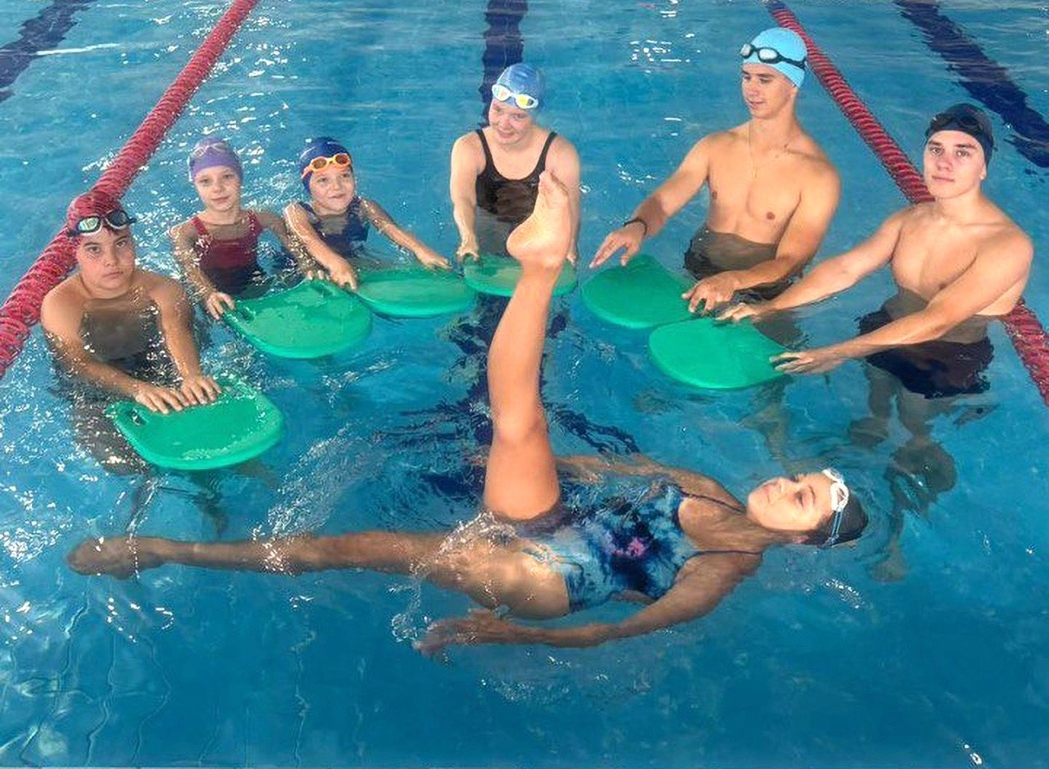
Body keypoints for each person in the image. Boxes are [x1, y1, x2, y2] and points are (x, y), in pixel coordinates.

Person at [67, 172, 867, 652]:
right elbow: (616, 468)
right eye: (801, 478)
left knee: (344, 549)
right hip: (553, 517)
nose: (785, 482)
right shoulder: (707, 487)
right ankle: (539, 269)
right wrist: (559, 467)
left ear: (801, 540)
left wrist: (516, 632)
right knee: (519, 426)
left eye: (799, 498)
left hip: (544, 578)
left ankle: (163, 551)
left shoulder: (724, 567)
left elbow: (621, 629)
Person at [722, 104, 1033, 397]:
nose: (944, 163)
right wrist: (771, 307)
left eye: (962, 152)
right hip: (883, 328)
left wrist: (839, 352)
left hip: (946, 355)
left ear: (983, 168)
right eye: (935, 149)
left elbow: (939, 319)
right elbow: (845, 269)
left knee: (913, 429)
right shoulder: (908, 220)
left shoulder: (1007, 245)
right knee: (873, 415)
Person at [591, 28, 840, 314]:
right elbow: (662, 202)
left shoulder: (818, 176)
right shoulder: (715, 146)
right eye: (746, 77)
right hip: (698, 269)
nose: (752, 89)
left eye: (765, 79)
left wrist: (734, 280)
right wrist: (637, 226)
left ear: (793, 85)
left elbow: (792, 261)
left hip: (762, 292)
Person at [40, 189, 220, 415]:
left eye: (121, 243)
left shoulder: (165, 289)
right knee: (89, 419)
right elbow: (77, 362)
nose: (111, 260)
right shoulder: (60, 305)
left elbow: (176, 330)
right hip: (97, 394)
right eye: (94, 249)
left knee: (206, 400)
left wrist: (191, 375)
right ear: (74, 251)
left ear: (133, 241)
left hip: (160, 370)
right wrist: (137, 389)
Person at [450, 63, 581, 262]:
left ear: (535, 115)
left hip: (538, 233)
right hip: (488, 228)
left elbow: (570, 208)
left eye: (518, 116)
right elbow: (463, 199)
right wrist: (468, 237)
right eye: (497, 109)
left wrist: (569, 247)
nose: (503, 124)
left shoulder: (560, 153)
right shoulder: (469, 147)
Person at [285, 137, 449, 290]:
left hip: (350, 258)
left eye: (344, 175)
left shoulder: (364, 206)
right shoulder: (296, 211)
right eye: (323, 180)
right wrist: (335, 264)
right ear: (308, 187)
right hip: (300, 264)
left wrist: (421, 250)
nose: (337, 186)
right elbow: (308, 240)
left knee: (401, 272)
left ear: (354, 178)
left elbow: (391, 228)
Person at [169, 138, 306, 320]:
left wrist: (309, 267)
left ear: (240, 178)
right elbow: (189, 270)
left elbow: (297, 250)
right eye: (205, 181)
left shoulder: (266, 219)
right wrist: (209, 293)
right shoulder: (185, 232)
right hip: (212, 296)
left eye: (227, 176)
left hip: (256, 283)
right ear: (195, 186)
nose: (217, 188)